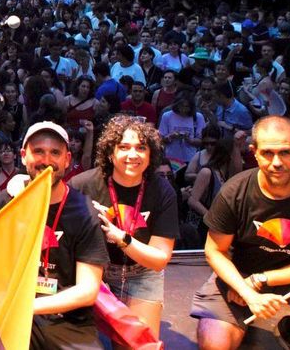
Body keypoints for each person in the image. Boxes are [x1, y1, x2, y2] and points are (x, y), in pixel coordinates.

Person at [190, 116, 290, 350]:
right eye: (267, 153)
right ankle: (237, 320)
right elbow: (215, 252)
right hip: (241, 273)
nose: (276, 162)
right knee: (215, 345)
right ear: (254, 152)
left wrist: (262, 280)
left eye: (285, 152)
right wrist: (246, 291)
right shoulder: (234, 191)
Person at [70, 115, 178, 339]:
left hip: (142, 274)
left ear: (151, 154)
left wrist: (121, 237)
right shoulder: (82, 185)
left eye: (141, 147)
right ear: (110, 153)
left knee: (140, 345)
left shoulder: (162, 190)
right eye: (123, 147)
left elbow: (159, 260)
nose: (133, 155)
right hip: (93, 273)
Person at [21, 121, 108, 349]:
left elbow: (88, 290)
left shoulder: (83, 211)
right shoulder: (10, 204)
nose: (47, 160)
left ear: (67, 159)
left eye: (55, 153)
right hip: (16, 319)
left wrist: (29, 306)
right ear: (23, 156)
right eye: (38, 151)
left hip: (67, 320)